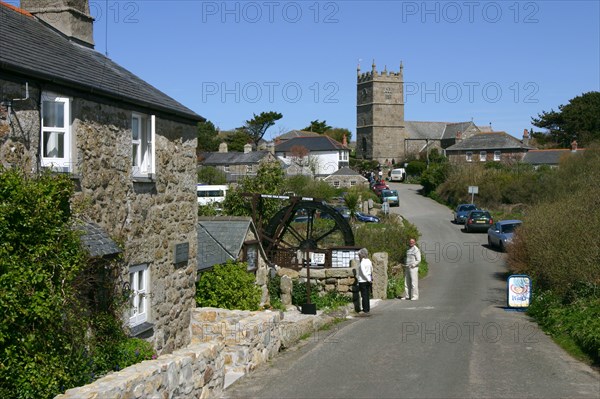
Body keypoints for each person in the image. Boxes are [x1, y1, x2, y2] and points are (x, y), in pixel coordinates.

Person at [357, 248, 373, 313]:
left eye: (359, 255)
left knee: (364, 296)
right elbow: (371, 270)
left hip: (362, 281)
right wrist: (370, 278)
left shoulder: (362, 262)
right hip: (368, 280)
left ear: (361, 255)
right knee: (367, 295)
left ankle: (365, 309)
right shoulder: (369, 261)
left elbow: (363, 272)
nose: (358, 256)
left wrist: (368, 279)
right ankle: (368, 308)